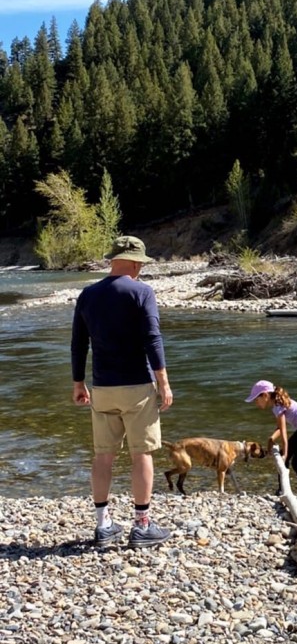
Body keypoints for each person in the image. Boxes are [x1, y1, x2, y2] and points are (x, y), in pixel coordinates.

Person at [71, 235, 173, 549]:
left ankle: (103, 526)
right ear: (131, 261)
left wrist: (78, 382)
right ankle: (141, 525)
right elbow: (152, 339)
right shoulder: (141, 292)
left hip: (102, 387)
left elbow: (78, 343)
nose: (141, 268)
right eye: (140, 262)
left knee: (103, 455)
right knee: (141, 453)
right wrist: (164, 382)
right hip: (137, 387)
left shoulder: (88, 294)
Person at [245, 380, 297, 493]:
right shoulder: (278, 402)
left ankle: (281, 490)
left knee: (283, 457)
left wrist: (285, 452)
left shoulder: (277, 406)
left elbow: (284, 430)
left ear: (265, 395)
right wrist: (271, 439)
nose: (256, 403)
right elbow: (280, 427)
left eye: (257, 399)